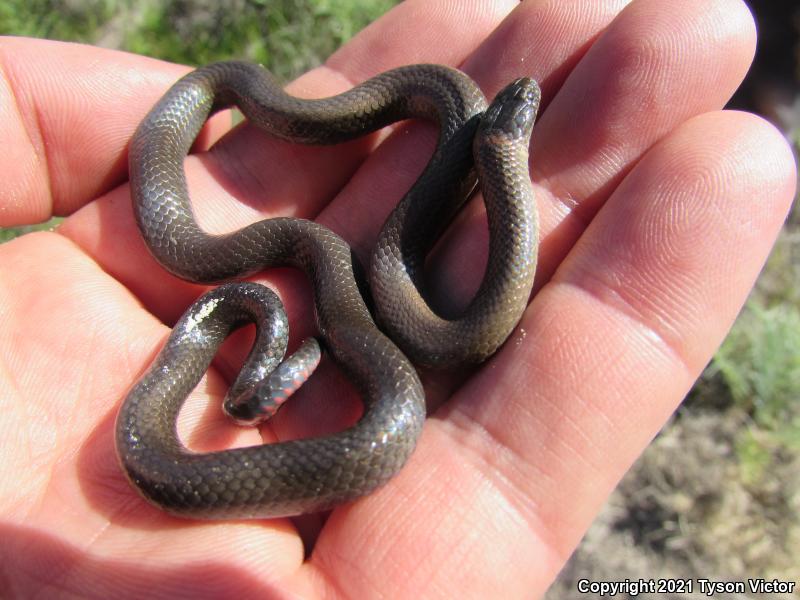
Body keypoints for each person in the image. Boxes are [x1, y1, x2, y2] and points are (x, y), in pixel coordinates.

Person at [0, 0, 795, 597]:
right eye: (513, 121)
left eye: (510, 122)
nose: (515, 105)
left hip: (372, 290)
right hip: (311, 300)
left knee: (356, 259)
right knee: (319, 250)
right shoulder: (427, 180)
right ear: (501, 154)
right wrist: (264, 324)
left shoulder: (463, 133)